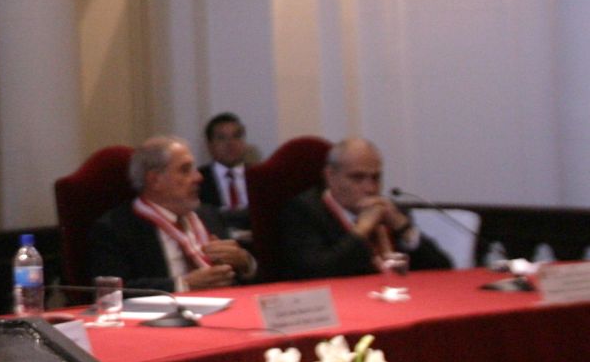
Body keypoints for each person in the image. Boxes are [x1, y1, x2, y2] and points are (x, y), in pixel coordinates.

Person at [87, 135, 258, 295]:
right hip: (159, 322)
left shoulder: (209, 215)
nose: (198, 177)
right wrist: (182, 285)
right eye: (185, 170)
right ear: (155, 180)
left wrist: (245, 263)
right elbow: (113, 292)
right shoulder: (115, 228)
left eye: (195, 169)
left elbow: (250, 281)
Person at [276, 137, 451, 281]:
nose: (370, 188)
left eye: (376, 178)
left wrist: (403, 226)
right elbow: (318, 273)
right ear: (330, 176)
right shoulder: (305, 211)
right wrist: (361, 230)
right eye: (358, 178)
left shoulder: (390, 211)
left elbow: (443, 269)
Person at [197, 111, 252, 221]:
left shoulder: (260, 175)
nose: (230, 143)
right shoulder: (197, 179)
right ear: (210, 145)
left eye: (236, 136)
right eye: (221, 138)